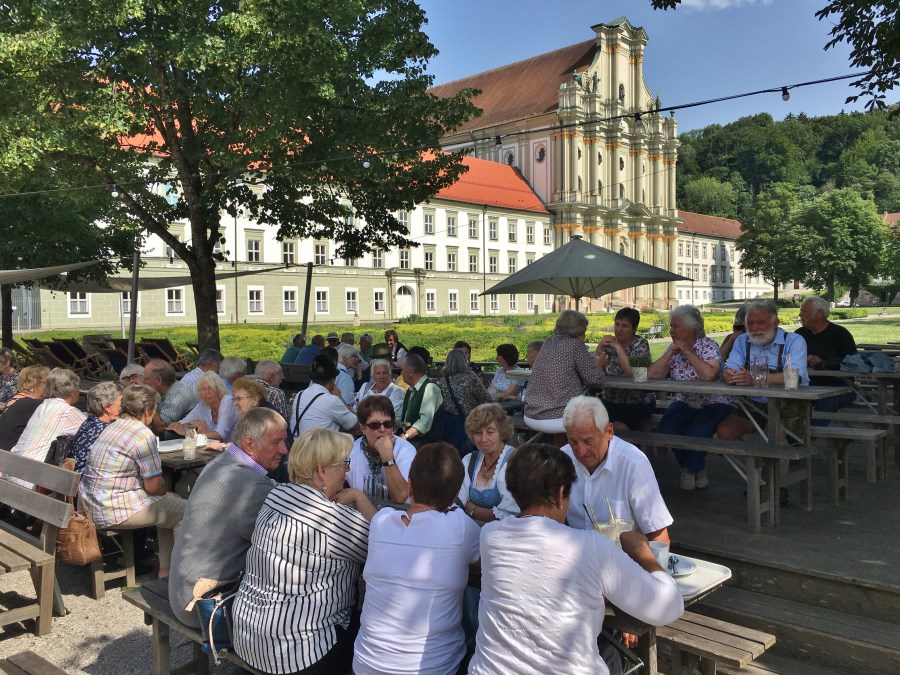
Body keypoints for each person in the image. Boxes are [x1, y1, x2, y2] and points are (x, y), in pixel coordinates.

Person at [467, 443, 683, 675]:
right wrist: (644, 555)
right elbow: (668, 607)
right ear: (561, 494)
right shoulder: (590, 547)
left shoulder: (491, 537)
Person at [232, 428, 375, 675]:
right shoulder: (333, 519)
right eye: (344, 463)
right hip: (298, 654)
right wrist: (359, 497)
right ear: (322, 471)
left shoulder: (276, 494)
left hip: (248, 637)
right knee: (371, 632)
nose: (348, 470)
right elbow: (388, 546)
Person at [353, 442, 480, 675]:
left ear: (409, 486)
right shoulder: (460, 527)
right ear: (454, 495)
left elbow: (380, 519)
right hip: (434, 667)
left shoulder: (382, 522)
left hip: (366, 663)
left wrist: (357, 496)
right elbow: (483, 561)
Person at [169, 408, 288, 628]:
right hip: (204, 604)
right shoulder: (251, 484)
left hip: (182, 588)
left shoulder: (222, 462)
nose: (284, 449)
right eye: (276, 442)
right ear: (250, 445)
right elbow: (280, 546)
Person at [79, 384, 187, 578]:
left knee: (170, 504)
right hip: (113, 509)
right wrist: (164, 491)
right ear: (147, 411)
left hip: (91, 503)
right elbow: (154, 487)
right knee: (186, 512)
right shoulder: (143, 435)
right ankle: (177, 575)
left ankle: (166, 570)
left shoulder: (112, 426)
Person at [561, 396, 672, 542]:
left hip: (623, 558)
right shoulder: (563, 458)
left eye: (588, 441)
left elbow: (659, 537)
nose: (581, 451)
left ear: (609, 432)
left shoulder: (633, 464)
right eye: (573, 442)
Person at [648, 305, 735, 490]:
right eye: (670, 327)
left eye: (675, 326)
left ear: (691, 328)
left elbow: (709, 375)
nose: (671, 331)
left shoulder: (708, 346)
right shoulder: (672, 348)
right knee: (668, 428)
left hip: (715, 401)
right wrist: (672, 352)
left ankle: (691, 469)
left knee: (698, 432)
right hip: (686, 400)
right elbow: (654, 375)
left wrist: (688, 351)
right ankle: (695, 467)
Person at [718, 300, 809, 442]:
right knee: (725, 432)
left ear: (775, 323)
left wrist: (755, 379)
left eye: (760, 323)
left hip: (787, 406)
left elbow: (796, 376)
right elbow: (732, 367)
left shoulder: (794, 341)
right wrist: (730, 375)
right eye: (750, 323)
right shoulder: (742, 340)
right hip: (751, 405)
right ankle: (752, 462)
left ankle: (772, 462)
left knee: (775, 436)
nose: (755, 328)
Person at [524, 309, 605, 435]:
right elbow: (593, 379)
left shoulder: (548, 342)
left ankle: (559, 450)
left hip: (531, 414)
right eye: (584, 330)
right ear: (578, 330)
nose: (584, 335)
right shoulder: (576, 345)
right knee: (601, 419)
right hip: (558, 417)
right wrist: (600, 365)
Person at [8, 368, 86, 487]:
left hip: (12, 472)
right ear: (73, 390)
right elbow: (95, 432)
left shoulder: (43, 406)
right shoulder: (67, 411)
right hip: (30, 481)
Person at [796, 296, 857, 424]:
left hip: (840, 387)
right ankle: (790, 438)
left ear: (820, 314)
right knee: (784, 401)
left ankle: (808, 438)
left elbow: (853, 363)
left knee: (826, 404)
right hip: (806, 386)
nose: (800, 314)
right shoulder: (799, 335)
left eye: (804, 311)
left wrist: (823, 362)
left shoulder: (840, 334)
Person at [347, 395, 416, 503]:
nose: (383, 429)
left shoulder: (406, 451)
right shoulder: (352, 451)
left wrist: (387, 457)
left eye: (388, 424)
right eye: (375, 425)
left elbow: (401, 496)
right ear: (363, 428)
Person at [458, 403, 519, 522]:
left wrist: (472, 509)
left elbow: (508, 516)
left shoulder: (515, 462)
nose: (484, 439)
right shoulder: (470, 460)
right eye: (478, 433)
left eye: (490, 432)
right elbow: (459, 501)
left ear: (502, 432)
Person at [597, 307, 656, 430]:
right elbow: (593, 370)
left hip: (637, 403)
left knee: (617, 427)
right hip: (610, 400)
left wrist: (618, 347)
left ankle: (629, 447)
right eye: (617, 324)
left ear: (634, 329)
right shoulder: (608, 344)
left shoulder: (641, 345)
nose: (619, 329)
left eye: (624, 326)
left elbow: (633, 374)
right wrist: (599, 347)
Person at [290, 353, 358, 436]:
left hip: (297, 446)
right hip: (318, 448)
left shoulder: (299, 395)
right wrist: (340, 398)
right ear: (333, 379)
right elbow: (355, 424)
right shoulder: (332, 400)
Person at [438, 349, 491, 455]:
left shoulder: (442, 381)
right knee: (468, 456)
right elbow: (486, 398)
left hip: (449, 423)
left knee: (452, 455)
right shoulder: (470, 379)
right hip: (469, 422)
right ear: (464, 361)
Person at [168, 371, 237, 442]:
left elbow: (220, 435)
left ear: (219, 388)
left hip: (236, 450)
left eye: (210, 387)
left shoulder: (227, 401)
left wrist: (190, 433)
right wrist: (191, 422)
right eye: (203, 389)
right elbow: (176, 425)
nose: (207, 392)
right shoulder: (203, 405)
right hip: (216, 449)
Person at [71, 381, 124, 474]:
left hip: (77, 477)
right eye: (121, 403)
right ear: (107, 407)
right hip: (87, 481)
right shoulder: (105, 430)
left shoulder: (91, 422)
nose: (124, 406)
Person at [399, 352, 443, 447]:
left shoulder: (430, 388)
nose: (401, 373)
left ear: (410, 371)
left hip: (426, 447)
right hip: (411, 443)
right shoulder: (410, 390)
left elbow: (425, 422)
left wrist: (405, 436)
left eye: (403, 370)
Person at [144, 359, 198, 435]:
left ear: (159, 380)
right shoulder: (166, 391)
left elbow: (161, 426)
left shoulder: (178, 395)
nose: (144, 383)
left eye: (146, 379)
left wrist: (146, 399)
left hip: (187, 440)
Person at [0, 365, 48, 450]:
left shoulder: (17, 397)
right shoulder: (33, 403)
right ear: (37, 382)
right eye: (47, 382)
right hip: (10, 455)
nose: (50, 386)